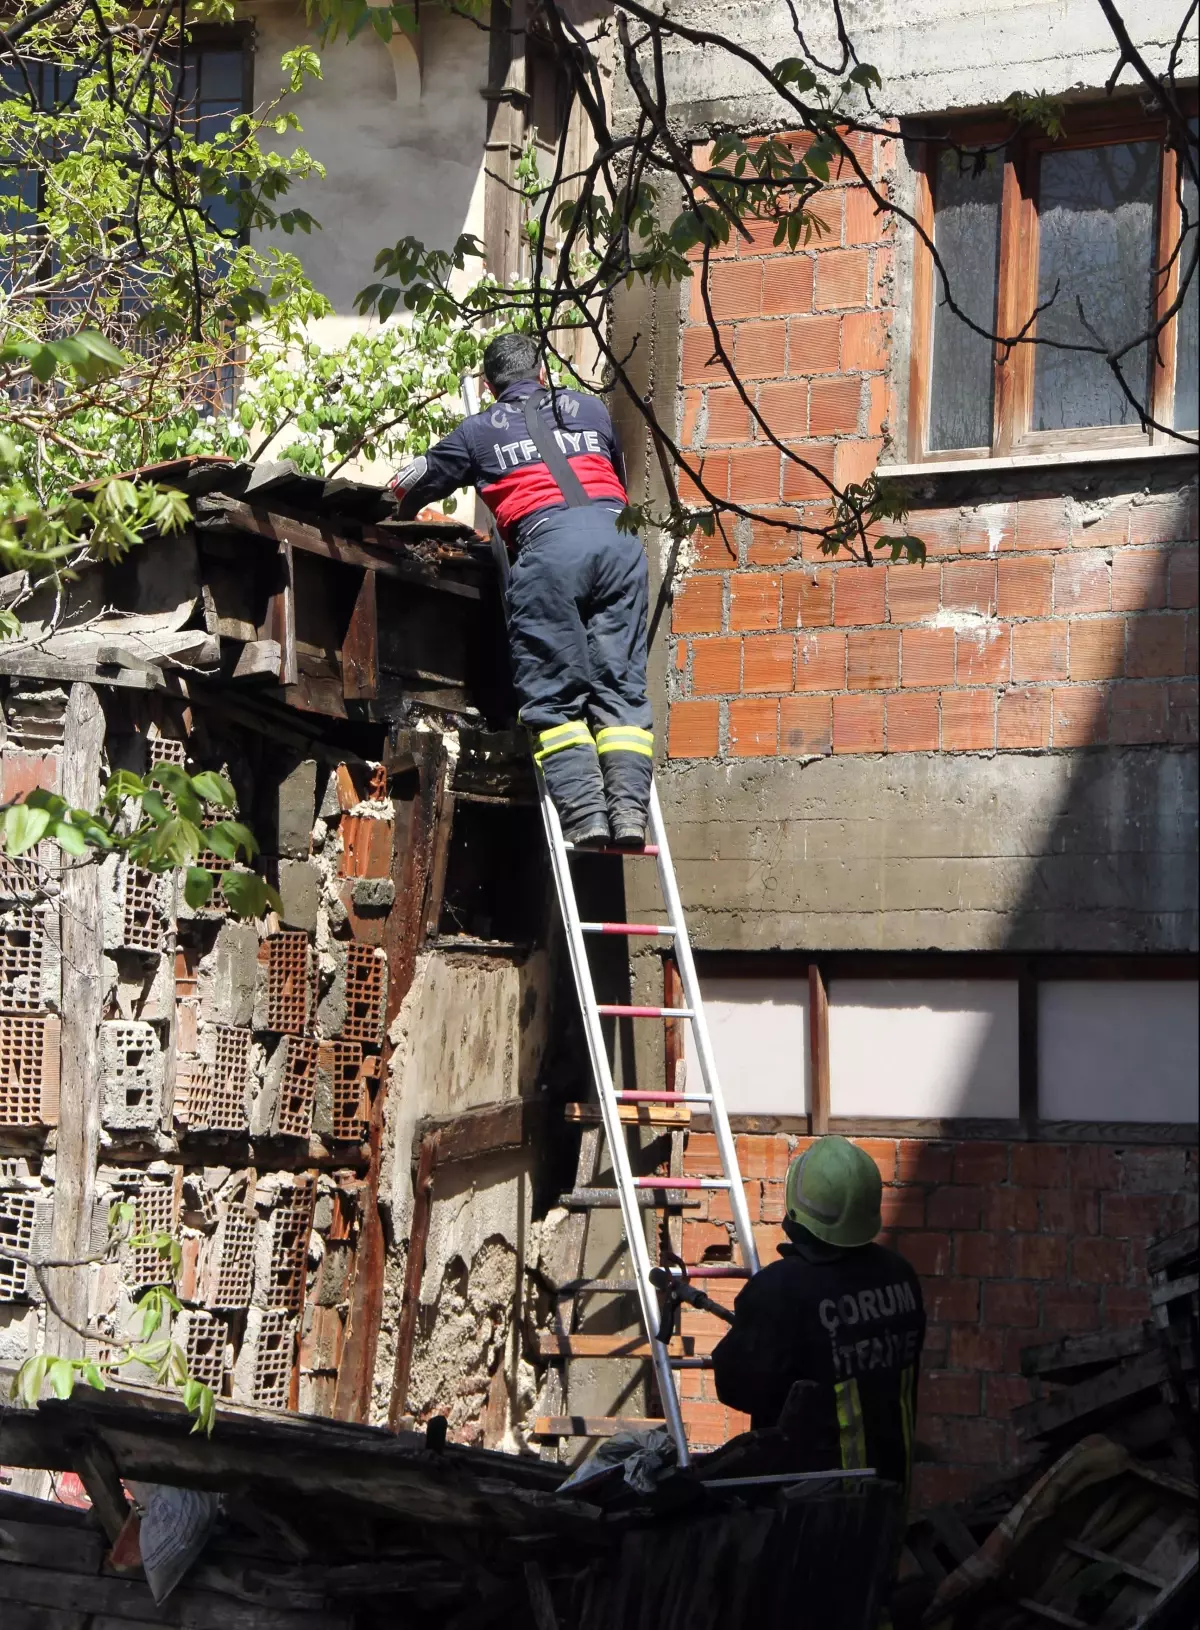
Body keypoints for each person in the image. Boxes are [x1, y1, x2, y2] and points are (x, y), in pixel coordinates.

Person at [389, 333, 653, 848]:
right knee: (620, 689)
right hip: (620, 546)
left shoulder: (478, 431)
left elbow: (410, 482)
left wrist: (392, 505)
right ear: (544, 373)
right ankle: (627, 817)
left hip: (548, 551)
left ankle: (586, 818)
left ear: (489, 386)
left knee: (554, 697)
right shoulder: (591, 410)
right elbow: (614, 475)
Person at [712, 1135, 925, 1497]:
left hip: (807, 1513)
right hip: (888, 1499)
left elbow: (737, 1387)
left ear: (797, 1203)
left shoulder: (783, 1288)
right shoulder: (901, 1276)